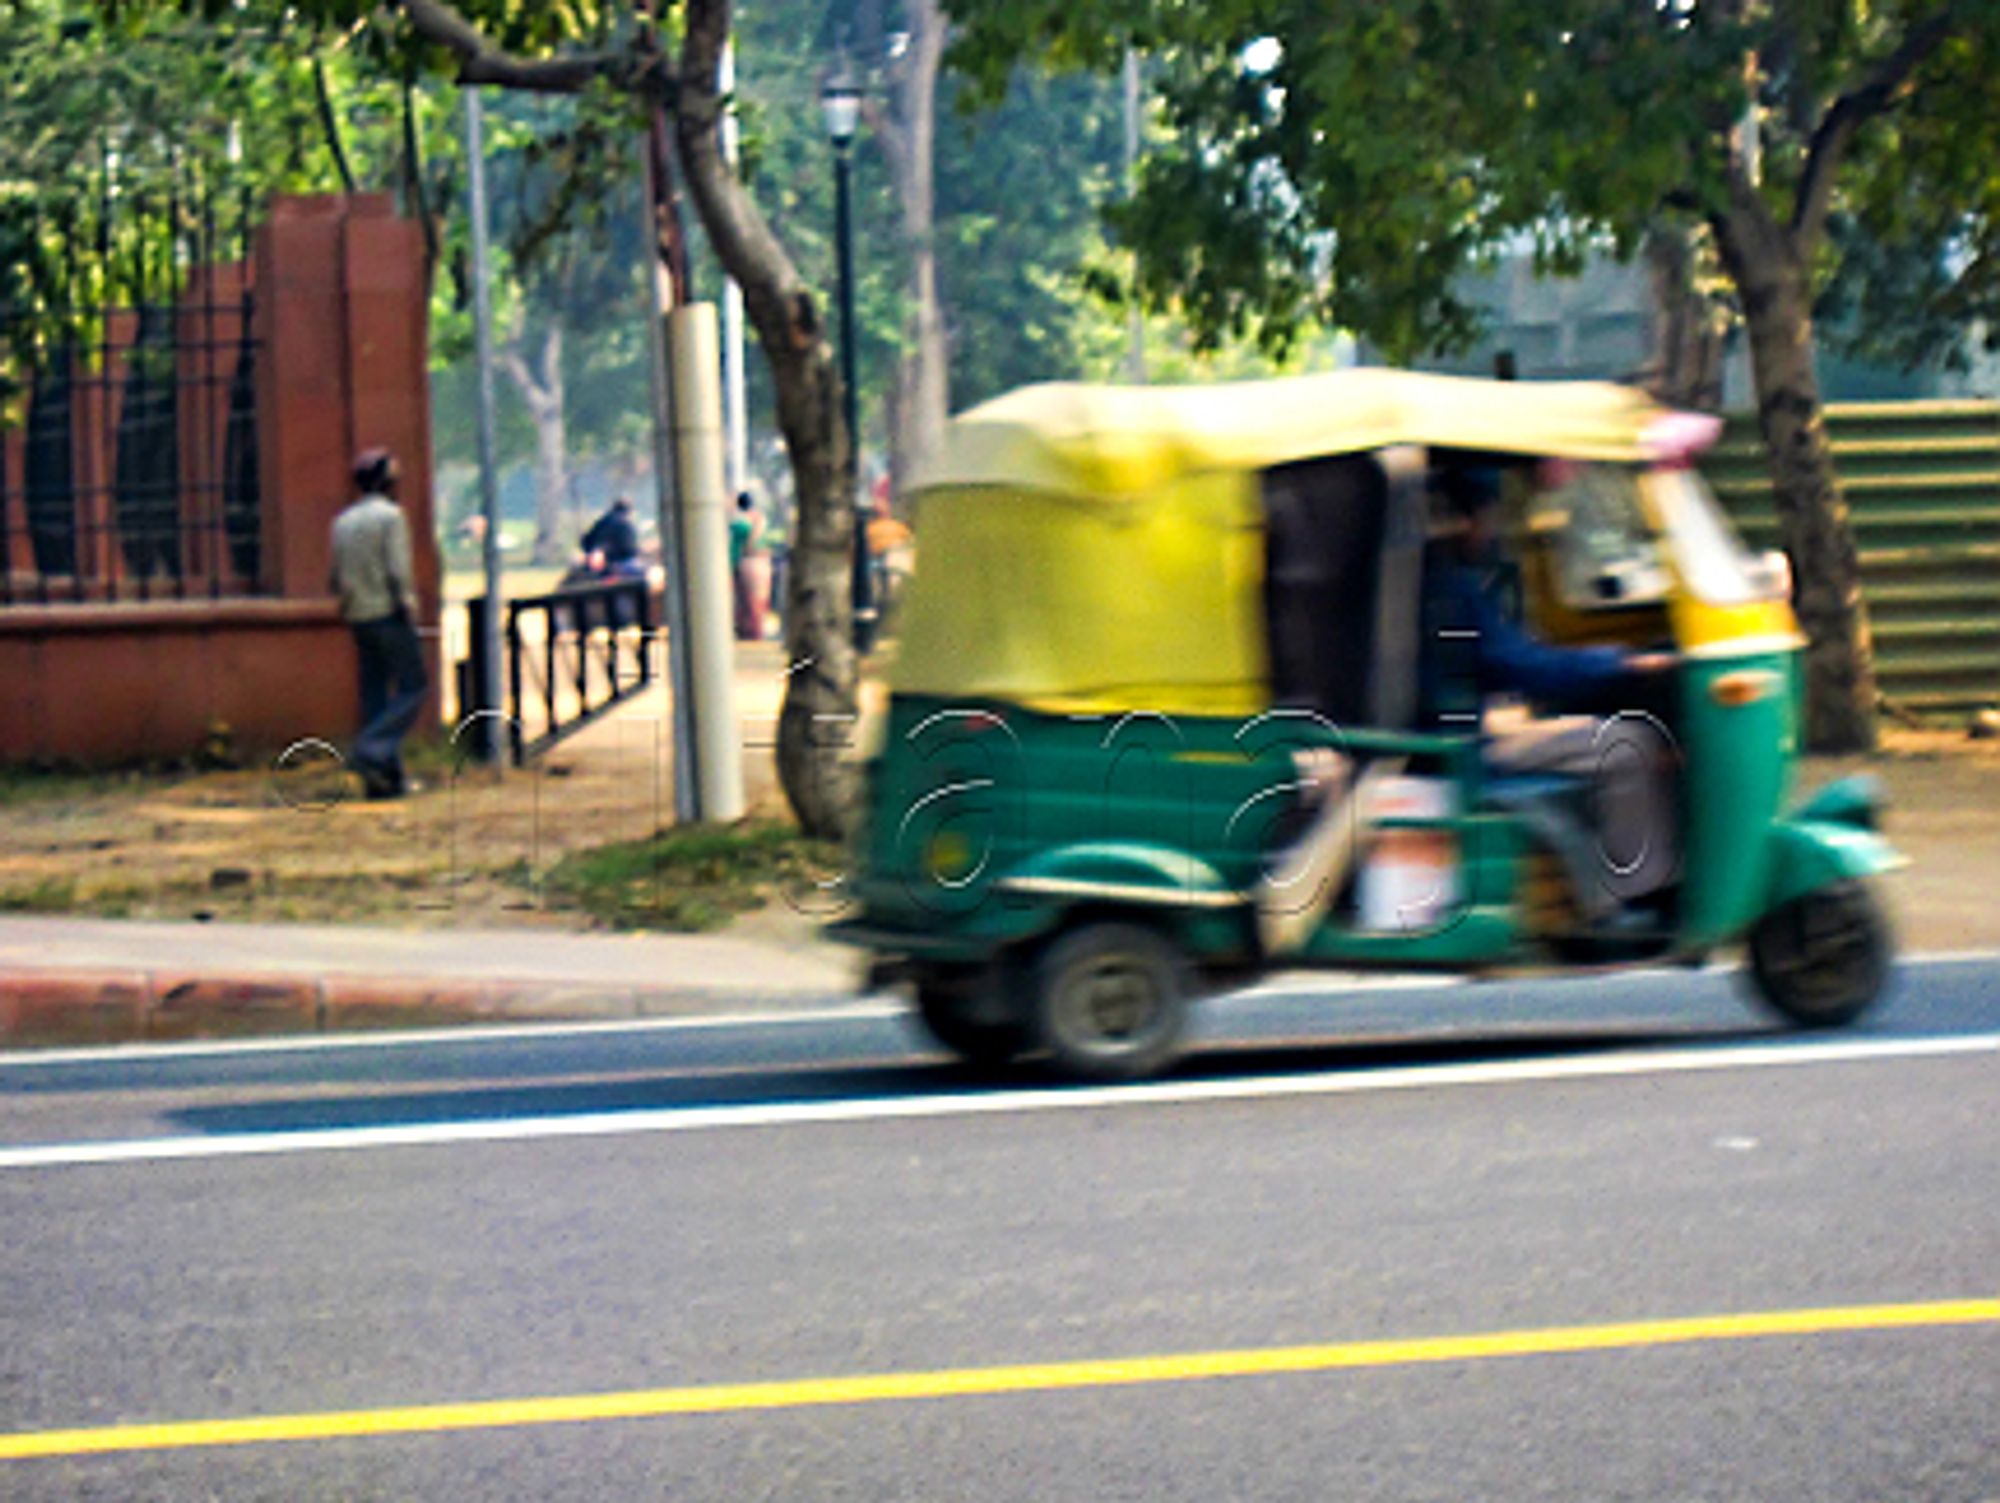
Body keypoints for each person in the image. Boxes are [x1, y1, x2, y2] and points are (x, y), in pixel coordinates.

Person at [1418, 461, 1678, 925]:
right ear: (1468, 519)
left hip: (1460, 735)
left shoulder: (1438, 578)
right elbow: (1521, 665)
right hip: (1460, 750)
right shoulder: (1448, 588)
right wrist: (1622, 664)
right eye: (1491, 516)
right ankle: (1638, 901)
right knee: (1630, 746)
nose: (1494, 529)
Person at [330, 448, 428, 799]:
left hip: (358, 614)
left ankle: (385, 779)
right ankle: (370, 749)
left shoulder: (343, 521)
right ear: (386, 482)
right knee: (413, 686)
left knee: (374, 692)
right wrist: (408, 605)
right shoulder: (391, 517)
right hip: (388, 612)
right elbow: (398, 569)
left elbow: (336, 574)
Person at [579, 496, 644, 580]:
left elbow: (586, 541)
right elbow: (629, 549)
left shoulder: (602, 522)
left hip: (599, 564)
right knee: (641, 572)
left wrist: (591, 552)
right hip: (620, 564)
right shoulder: (624, 523)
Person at [730, 492, 766, 640]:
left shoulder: (738, 521)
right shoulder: (760, 519)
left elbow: (738, 545)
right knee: (757, 598)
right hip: (761, 562)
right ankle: (755, 630)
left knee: (744, 599)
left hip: (743, 561)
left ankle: (747, 630)